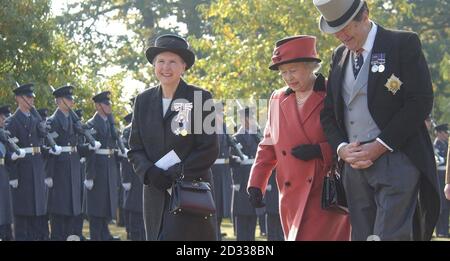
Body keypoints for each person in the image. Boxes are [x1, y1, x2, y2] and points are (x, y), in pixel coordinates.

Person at [315, 0, 439, 240]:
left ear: (365, 16)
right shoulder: (338, 56)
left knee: (389, 236)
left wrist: (380, 145)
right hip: (353, 168)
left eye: (345, 27)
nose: (340, 35)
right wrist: (342, 149)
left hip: (397, 158)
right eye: (334, 30)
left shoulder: (402, 43)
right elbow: (329, 114)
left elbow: (420, 101)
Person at [247, 35, 350, 241]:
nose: (288, 77)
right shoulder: (278, 98)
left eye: (293, 70)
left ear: (310, 66)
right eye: (283, 72)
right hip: (291, 193)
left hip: (324, 191)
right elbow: (268, 144)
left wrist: (320, 150)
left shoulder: (332, 92)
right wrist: (256, 183)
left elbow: (351, 135)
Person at [128, 34, 218, 241]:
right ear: (153, 65)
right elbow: (135, 148)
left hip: (191, 190)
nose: (165, 68)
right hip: (155, 192)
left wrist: (178, 172)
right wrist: (150, 172)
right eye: (161, 61)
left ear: (183, 66)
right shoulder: (142, 100)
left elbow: (209, 148)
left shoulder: (200, 97)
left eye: (172, 62)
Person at [45, 85, 90, 240]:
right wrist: (48, 174)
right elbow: (50, 149)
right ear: (59, 101)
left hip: (74, 167)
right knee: (60, 208)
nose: (72, 102)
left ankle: (73, 236)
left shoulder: (74, 121)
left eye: (71, 99)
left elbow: (77, 146)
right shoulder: (52, 121)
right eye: (68, 99)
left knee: (74, 208)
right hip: (59, 169)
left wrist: (88, 148)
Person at [6, 83, 50, 240]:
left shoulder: (36, 119)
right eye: (28, 97)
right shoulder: (12, 122)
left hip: (37, 169)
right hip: (22, 171)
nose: (31, 100)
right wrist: (13, 176)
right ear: (19, 98)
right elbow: (8, 152)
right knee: (23, 215)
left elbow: (41, 143)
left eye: (32, 98)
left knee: (38, 213)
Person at [84, 91, 124, 241]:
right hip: (98, 169)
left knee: (106, 202)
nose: (110, 106)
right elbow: (90, 152)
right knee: (96, 205)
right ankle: (97, 235)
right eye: (106, 103)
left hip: (109, 167)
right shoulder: (91, 124)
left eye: (109, 103)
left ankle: (104, 233)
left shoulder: (110, 123)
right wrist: (89, 176)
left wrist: (120, 154)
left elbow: (112, 146)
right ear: (98, 106)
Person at [230, 107, 259, 241]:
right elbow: (232, 161)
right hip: (241, 182)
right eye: (249, 118)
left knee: (253, 216)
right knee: (242, 217)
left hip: (254, 181)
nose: (251, 120)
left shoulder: (256, 137)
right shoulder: (235, 138)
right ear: (242, 119)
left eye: (252, 118)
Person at [120, 113, 145, 241]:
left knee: (145, 216)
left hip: (146, 176)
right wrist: (126, 179)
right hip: (133, 176)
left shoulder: (148, 127)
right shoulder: (128, 130)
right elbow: (125, 156)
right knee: (135, 213)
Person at [211, 102, 233, 240]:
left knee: (221, 204)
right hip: (212, 171)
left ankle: (217, 232)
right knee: (213, 204)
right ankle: (213, 234)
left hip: (223, 171)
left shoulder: (224, 127)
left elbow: (230, 145)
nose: (221, 115)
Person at [0, 105, 17, 240]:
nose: (3, 120)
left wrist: (13, 156)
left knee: (5, 212)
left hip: (3, 173)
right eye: (1, 117)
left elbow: (5, 156)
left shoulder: (3, 133)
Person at [434, 124, 449, 237]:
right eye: (444, 132)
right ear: (439, 133)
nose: (446, 134)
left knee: (447, 205)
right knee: (441, 204)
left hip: (445, 174)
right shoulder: (436, 145)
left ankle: (445, 230)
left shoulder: (446, 144)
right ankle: (440, 231)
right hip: (439, 175)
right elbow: (439, 160)